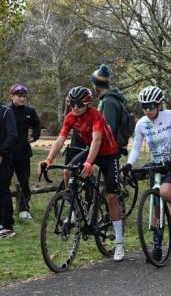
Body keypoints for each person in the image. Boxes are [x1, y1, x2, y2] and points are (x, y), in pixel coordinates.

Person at [40, 87, 125, 259]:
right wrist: (48, 159)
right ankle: (77, 210)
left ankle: (119, 243)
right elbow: (60, 140)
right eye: (71, 103)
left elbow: (97, 140)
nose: (75, 107)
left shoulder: (95, 115)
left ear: (87, 104)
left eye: (78, 104)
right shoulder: (71, 117)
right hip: (90, 150)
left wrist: (89, 162)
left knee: (111, 197)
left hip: (108, 154)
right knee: (67, 172)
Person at [122, 86, 171, 260]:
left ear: (159, 104)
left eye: (151, 106)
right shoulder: (141, 124)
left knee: (166, 192)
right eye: (143, 106)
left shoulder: (169, 116)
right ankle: (156, 245)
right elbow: (136, 148)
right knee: (155, 203)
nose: (147, 110)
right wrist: (129, 164)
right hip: (157, 163)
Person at [7, 84, 41, 220]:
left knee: (24, 182)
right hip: (7, 154)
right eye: (19, 96)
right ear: (12, 96)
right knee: (4, 183)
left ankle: (24, 209)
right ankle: (6, 211)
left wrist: (34, 136)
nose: (22, 99)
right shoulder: (5, 111)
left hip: (23, 154)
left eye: (24, 96)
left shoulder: (30, 111)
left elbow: (37, 124)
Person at [91, 64, 129, 155]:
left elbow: (108, 129)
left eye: (93, 83)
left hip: (110, 148)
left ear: (97, 85)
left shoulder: (109, 102)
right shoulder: (110, 98)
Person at [0, 101, 17, 238]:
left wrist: (1, 153)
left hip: (4, 158)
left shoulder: (6, 112)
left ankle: (7, 225)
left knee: (2, 189)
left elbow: (12, 135)